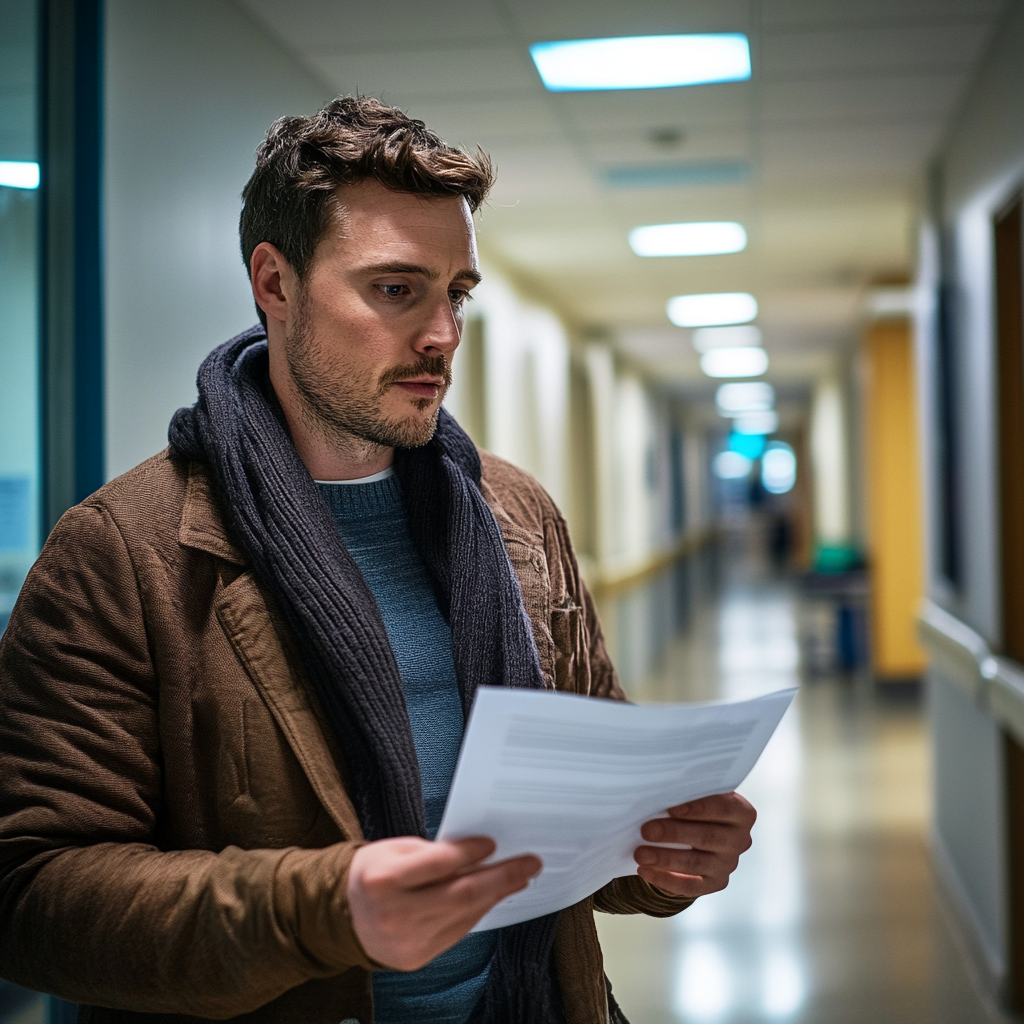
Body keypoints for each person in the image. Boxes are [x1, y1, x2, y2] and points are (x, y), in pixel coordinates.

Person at [0, 97, 756, 1024]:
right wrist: (323, 910)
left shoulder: (512, 512)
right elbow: (35, 890)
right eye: (396, 289)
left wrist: (662, 855)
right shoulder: (125, 552)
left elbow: (579, 817)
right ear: (273, 284)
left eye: (457, 294)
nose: (442, 334)